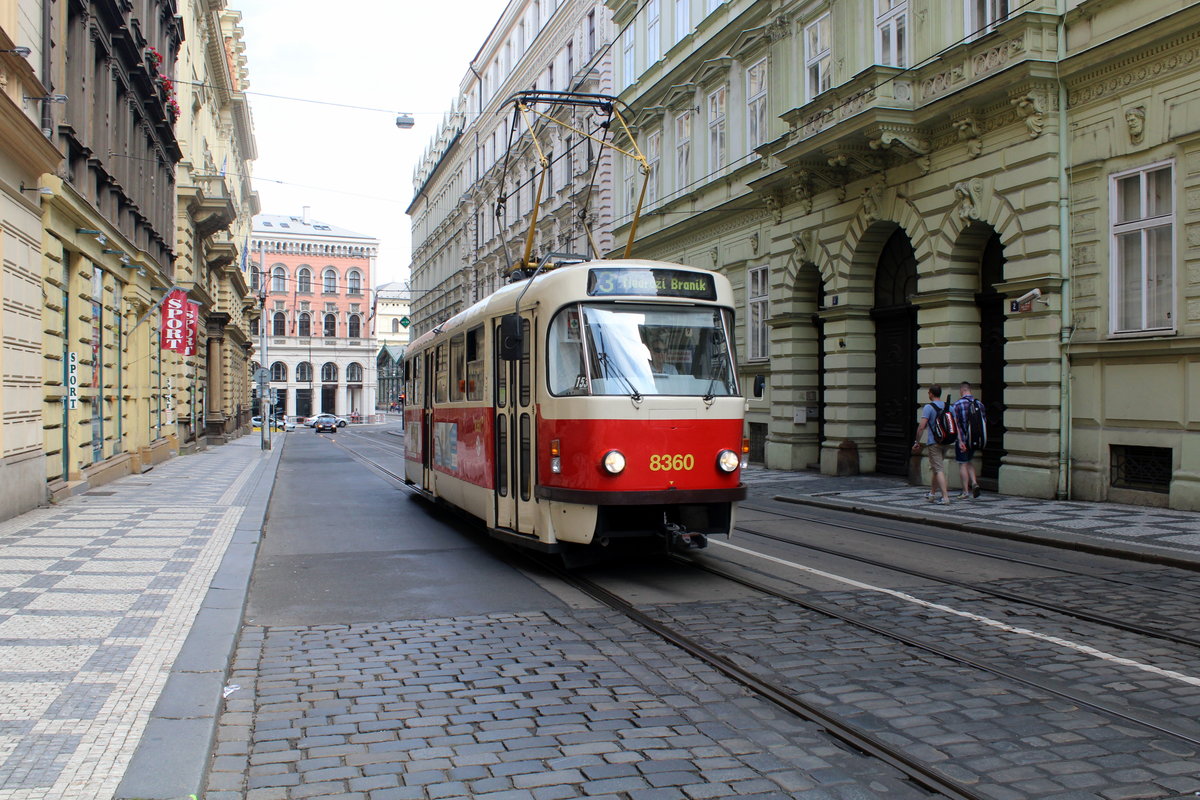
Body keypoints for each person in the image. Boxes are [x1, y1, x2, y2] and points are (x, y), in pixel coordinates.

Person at [912, 384, 951, 505]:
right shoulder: (948, 406)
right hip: (946, 441)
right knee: (936, 467)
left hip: (934, 442)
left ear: (931, 394)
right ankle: (932, 494)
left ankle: (945, 497)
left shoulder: (928, 407)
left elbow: (921, 426)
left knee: (938, 469)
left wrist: (917, 441)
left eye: (928, 392)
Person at [952, 381, 983, 499]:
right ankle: (974, 483)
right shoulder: (979, 404)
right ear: (970, 390)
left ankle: (965, 491)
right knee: (969, 461)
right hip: (974, 439)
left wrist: (960, 441)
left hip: (963, 440)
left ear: (962, 390)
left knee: (962, 464)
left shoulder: (957, 404)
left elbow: (956, 424)